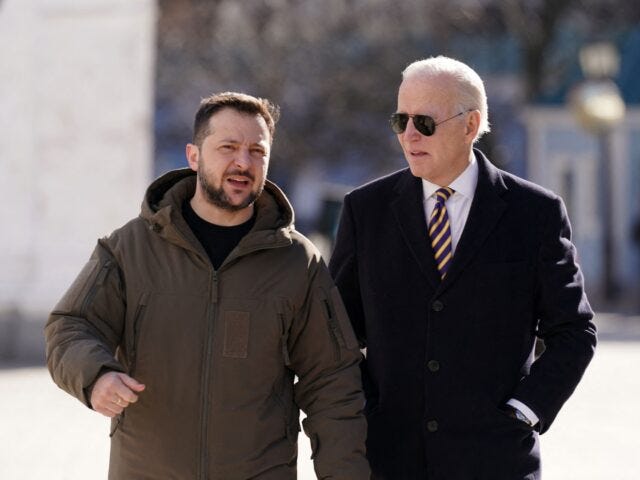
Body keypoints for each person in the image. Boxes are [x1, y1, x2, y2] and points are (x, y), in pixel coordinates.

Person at [45, 92, 369, 480]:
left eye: (257, 151)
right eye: (228, 147)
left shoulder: (297, 262)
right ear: (194, 155)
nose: (243, 163)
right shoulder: (131, 247)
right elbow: (70, 326)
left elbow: (333, 381)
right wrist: (95, 375)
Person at [329, 56, 597, 480]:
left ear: (471, 125)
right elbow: (335, 334)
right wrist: (368, 410)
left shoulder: (535, 213)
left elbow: (574, 332)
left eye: (425, 122)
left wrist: (526, 411)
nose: (410, 135)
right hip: (391, 461)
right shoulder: (366, 211)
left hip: (496, 462)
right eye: (401, 121)